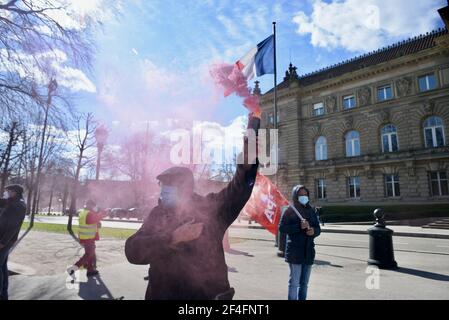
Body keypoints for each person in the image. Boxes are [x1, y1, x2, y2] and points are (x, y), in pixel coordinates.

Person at [125, 115, 259, 300]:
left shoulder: (210, 208)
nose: (164, 190)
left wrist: (246, 163)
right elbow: (133, 251)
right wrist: (172, 238)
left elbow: (239, 189)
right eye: (162, 185)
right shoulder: (158, 214)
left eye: (169, 185)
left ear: (185, 188)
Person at [279, 185, 321, 300]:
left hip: (308, 251)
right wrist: (299, 226)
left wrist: (313, 231)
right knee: (294, 283)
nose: (304, 197)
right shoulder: (290, 210)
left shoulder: (311, 210)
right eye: (301, 195)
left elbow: (318, 228)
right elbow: (282, 228)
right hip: (295, 252)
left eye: (305, 194)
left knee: (304, 284)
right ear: (295, 196)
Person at [67, 199, 107, 277]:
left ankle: (90, 269)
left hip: (84, 237)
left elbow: (92, 222)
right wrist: (103, 213)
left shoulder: (83, 212)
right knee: (88, 254)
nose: (94, 207)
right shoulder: (89, 214)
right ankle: (73, 269)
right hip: (88, 238)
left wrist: (97, 221)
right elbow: (95, 219)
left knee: (89, 254)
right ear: (90, 205)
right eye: (93, 206)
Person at [0, 184, 27, 300]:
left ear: (15, 192)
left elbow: (13, 226)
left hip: (4, 240)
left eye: (8, 191)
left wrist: (2, 242)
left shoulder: (18, 205)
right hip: (4, 239)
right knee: (2, 266)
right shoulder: (11, 202)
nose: (7, 193)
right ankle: (3, 294)